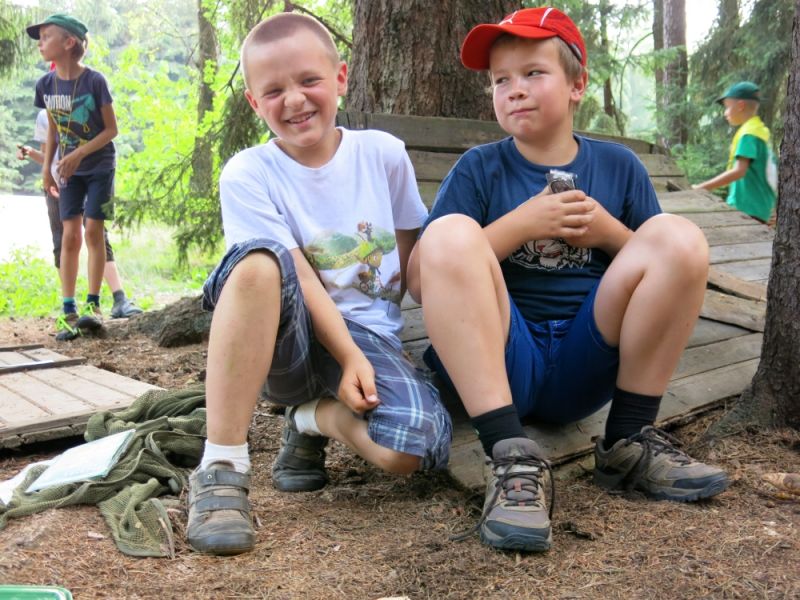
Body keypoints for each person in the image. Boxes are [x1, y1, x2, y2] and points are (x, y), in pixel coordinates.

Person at [407, 6, 729, 553]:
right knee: (449, 231)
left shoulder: (619, 167)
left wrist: (606, 231)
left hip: (589, 353)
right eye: (500, 80)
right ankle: (509, 454)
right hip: (505, 357)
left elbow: (664, 266)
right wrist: (518, 225)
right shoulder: (480, 169)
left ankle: (628, 441)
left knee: (678, 235)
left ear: (578, 84)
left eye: (533, 73)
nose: (515, 90)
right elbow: (422, 275)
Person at [185, 12, 452, 556]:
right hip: (288, 336)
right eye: (274, 90)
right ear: (255, 105)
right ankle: (222, 466)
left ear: (341, 79)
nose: (295, 100)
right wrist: (349, 354)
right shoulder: (248, 172)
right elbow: (299, 276)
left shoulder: (382, 154)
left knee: (414, 449)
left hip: (370, 335)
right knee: (258, 262)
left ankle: (309, 422)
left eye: (309, 81)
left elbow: (413, 251)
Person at [26, 14, 119, 340]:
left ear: (69, 43)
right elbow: (53, 127)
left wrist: (78, 154)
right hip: (67, 172)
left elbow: (112, 130)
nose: (40, 42)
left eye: (46, 36)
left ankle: (93, 307)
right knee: (69, 236)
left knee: (94, 231)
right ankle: (69, 310)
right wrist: (46, 170)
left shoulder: (95, 81)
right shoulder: (45, 85)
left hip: (100, 167)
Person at [17, 110, 142, 330]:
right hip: (58, 185)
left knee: (97, 234)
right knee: (63, 240)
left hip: (88, 176)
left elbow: (106, 135)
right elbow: (48, 157)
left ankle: (118, 298)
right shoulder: (43, 116)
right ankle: (70, 308)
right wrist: (31, 154)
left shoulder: (84, 103)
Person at [693, 81, 778, 226]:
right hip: (760, 209)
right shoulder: (761, 131)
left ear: (740, 106)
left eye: (727, 107)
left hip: (746, 209)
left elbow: (739, 171)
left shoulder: (748, 134)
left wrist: (701, 188)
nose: (725, 113)